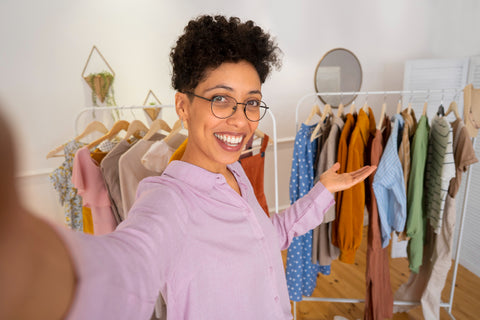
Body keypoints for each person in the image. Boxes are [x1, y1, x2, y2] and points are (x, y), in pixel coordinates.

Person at [0, 15, 376, 320]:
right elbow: (126, 267)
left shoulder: (236, 172)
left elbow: (265, 237)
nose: (241, 120)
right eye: (220, 99)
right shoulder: (167, 202)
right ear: (183, 106)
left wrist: (323, 190)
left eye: (251, 103)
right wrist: (27, 264)